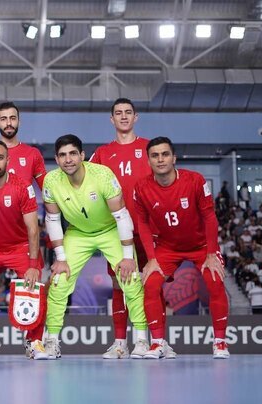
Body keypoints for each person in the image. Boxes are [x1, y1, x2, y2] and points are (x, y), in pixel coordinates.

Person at [42, 134, 148, 359]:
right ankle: (51, 341)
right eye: (62, 155)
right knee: (59, 281)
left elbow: (121, 216)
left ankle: (141, 340)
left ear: (82, 155)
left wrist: (128, 256)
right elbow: (52, 220)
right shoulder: (51, 181)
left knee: (131, 280)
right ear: (57, 159)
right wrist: (60, 258)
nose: (68, 159)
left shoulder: (102, 175)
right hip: (78, 233)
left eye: (73, 153)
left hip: (110, 229)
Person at [133, 137, 230, 359]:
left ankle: (220, 343)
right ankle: (158, 344)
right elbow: (143, 223)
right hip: (168, 247)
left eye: (165, 154)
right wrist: (152, 258)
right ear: (148, 161)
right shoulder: (142, 187)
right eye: (155, 155)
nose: (160, 159)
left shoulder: (195, 180)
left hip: (201, 246)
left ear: (174, 158)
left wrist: (211, 253)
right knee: (151, 284)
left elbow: (209, 216)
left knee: (215, 281)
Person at [0, 101, 47, 358]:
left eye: (12, 118)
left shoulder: (32, 154)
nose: (8, 123)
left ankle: (34, 341)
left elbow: (48, 190)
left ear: (19, 120)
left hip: (22, 239)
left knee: (35, 283)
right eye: (3, 119)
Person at [88, 98, 152, 359]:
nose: (123, 116)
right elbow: (87, 184)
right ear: (111, 119)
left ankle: (154, 341)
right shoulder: (102, 153)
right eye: (118, 113)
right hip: (116, 231)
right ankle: (120, 343)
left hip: (148, 229)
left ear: (135, 117)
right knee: (119, 284)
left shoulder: (149, 148)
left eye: (128, 112)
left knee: (152, 284)